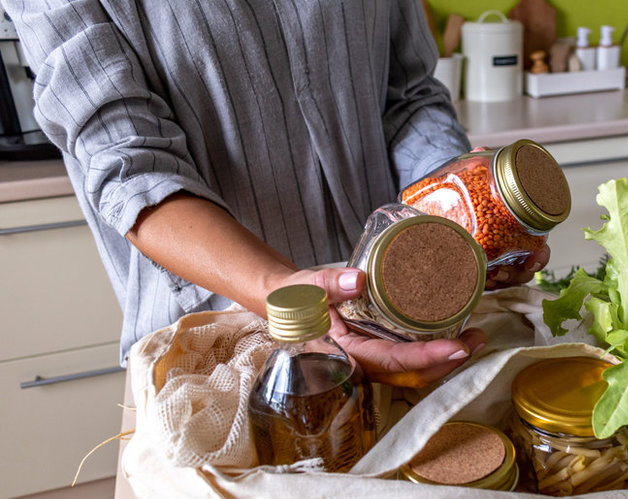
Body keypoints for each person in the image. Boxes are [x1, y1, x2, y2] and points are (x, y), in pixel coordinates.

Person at [4, 0, 548, 387]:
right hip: (219, 351)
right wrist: (288, 300)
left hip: (405, 319)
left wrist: (464, 214)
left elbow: (406, 96)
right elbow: (132, 167)